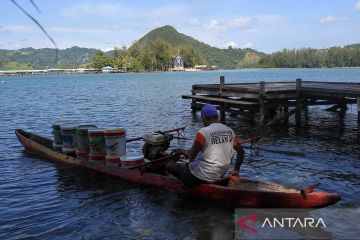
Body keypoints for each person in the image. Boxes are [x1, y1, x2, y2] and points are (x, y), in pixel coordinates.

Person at [166, 104, 244, 187]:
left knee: (170, 165)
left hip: (203, 176)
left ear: (204, 118)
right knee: (192, 163)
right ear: (217, 117)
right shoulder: (229, 131)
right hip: (221, 173)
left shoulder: (203, 132)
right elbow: (241, 152)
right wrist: (236, 170)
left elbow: (191, 156)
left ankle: (185, 185)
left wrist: (180, 151)